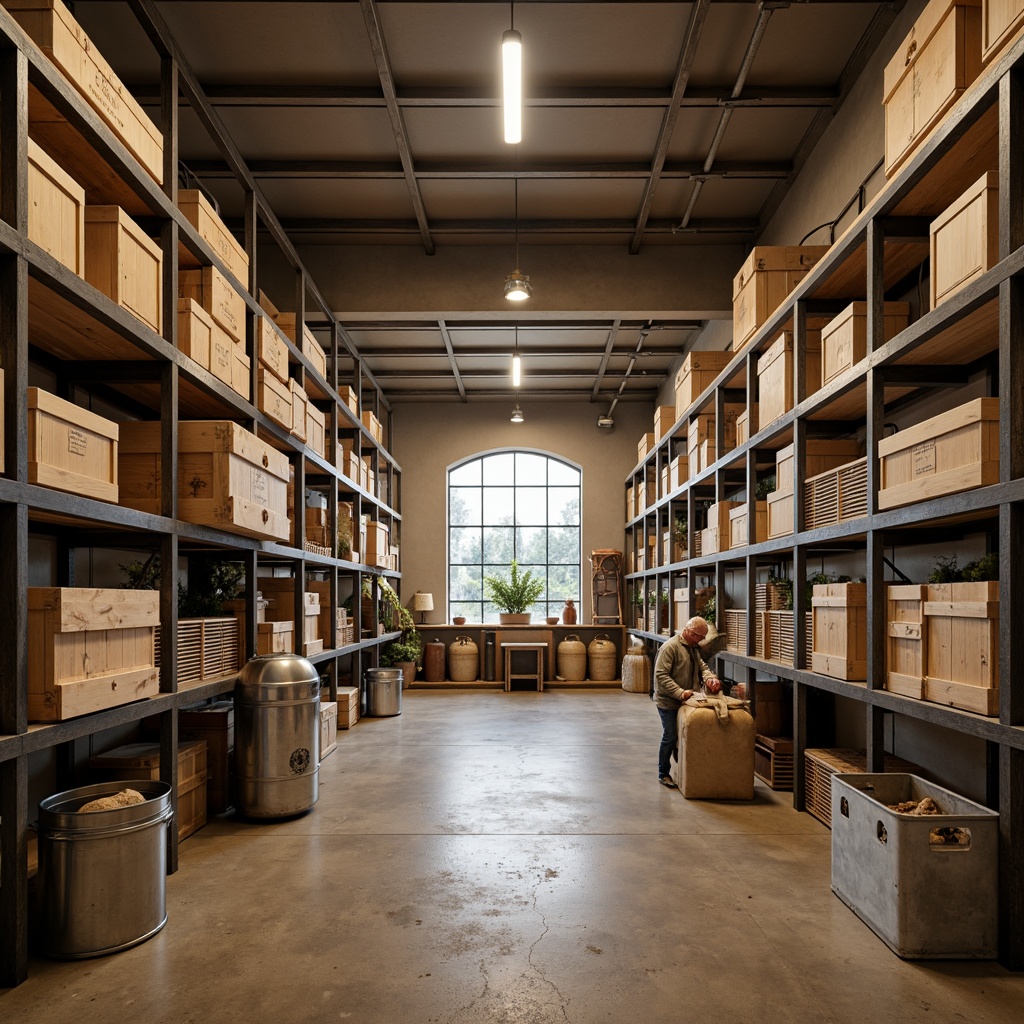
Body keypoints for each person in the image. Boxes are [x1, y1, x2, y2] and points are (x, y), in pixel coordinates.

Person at [652, 615, 721, 787]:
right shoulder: (670, 648)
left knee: (687, 735)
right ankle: (663, 773)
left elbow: (702, 667)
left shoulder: (692, 647)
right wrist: (679, 692)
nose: (702, 640)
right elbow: (661, 675)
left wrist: (710, 678)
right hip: (668, 701)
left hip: (687, 700)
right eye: (700, 636)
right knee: (671, 735)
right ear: (690, 632)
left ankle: (684, 770)